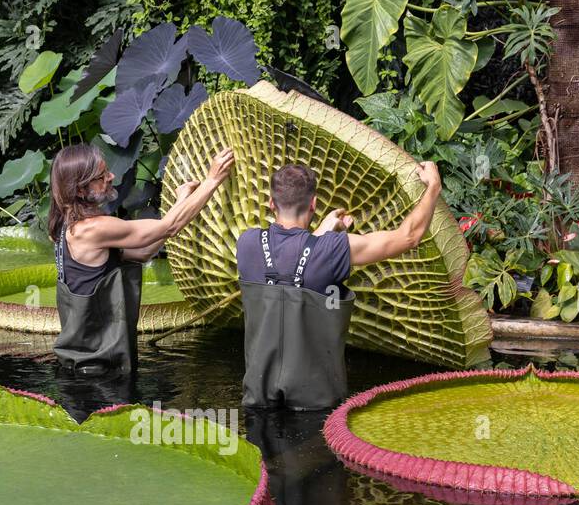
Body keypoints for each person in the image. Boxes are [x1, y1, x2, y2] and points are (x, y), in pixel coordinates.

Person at [236, 160, 444, 409]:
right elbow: (408, 237)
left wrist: (324, 234)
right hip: (315, 405)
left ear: (271, 203)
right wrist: (433, 186)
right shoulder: (333, 249)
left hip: (258, 401)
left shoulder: (246, 242)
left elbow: (289, 262)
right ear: (313, 204)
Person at [47, 143, 235, 377]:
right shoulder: (93, 229)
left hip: (85, 366)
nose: (111, 176)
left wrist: (180, 202)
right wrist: (212, 181)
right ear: (80, 190)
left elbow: (144, 251)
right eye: (102, 175)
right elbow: (170, 227)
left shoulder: (68, 227)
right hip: (97, 373)